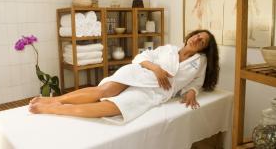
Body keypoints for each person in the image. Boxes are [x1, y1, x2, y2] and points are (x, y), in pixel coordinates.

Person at [29, 29, 220, 123]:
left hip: (156, 91)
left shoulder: (199, 62)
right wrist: (156, 68)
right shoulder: (168, 49)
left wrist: (192, 92)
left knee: (113, 107)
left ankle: (56, 109)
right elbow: (141, 56)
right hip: (140, 73)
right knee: (105, 90)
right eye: (197, 35)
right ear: (190, 36)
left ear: (205, 48)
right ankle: (54, 100)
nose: (197, 39)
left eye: (202, 40)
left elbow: (196, 82)